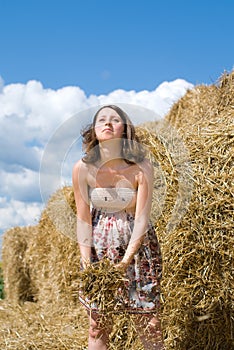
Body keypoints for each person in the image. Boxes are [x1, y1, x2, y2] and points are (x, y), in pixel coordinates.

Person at [72, 105, 164, 350]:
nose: (108, 123)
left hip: (138, 250)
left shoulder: (142, 166)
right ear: (94, 129)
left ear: (125, 129)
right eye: (102, 120)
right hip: (100, 253)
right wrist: (87, 263)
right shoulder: (82, 168)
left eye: (115, 120)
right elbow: (83, 219)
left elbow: (143, 218)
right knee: (97, 327)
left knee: (150, 324)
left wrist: (126, 260)